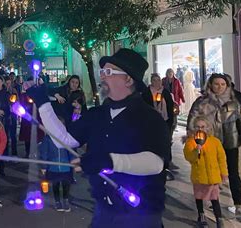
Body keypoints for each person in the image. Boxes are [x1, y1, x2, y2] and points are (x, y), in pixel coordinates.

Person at [27, 48, 170, 227]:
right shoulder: (98, 115)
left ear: (128, 79)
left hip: (141, 216)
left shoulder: (150, 117)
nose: (102, 76)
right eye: (102, 72)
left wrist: (109, 161)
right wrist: (43, 103)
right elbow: (64, 140)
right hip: (104, 213)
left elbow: (155, 163)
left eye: (108, 72)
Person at [187, 73, 241, 217]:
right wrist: (192, 138)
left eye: (223, 84)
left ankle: (238, 204)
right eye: (217, 84)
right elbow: (192, 119)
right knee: (211, 172)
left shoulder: (233, 102)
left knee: (234, 173)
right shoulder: (202, 102)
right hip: (209, 143)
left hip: (231, 141)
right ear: (210, 85)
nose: (220, 87)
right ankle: (210, 199)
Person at [183, 116, 227, 228]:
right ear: (194, 128)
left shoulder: (215, 142)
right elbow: (189, 157)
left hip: (213, 177)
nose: (200, 129)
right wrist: (196, 150)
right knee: (199, 196)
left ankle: (219, 218)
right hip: (199, 176)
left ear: (207, 128)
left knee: (215, 198)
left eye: (203, 126)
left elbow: (221, 158)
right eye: (198, 126)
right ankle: (201, 215)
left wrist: (224, 173)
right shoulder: (191, 142)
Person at [142, 73, 176, 180]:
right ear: (151, 81)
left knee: (166, 141)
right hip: (151, 122)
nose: (157, 82)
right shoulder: (146, 93)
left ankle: (167, 163)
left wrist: (171, 119)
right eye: (155, 80)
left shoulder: (165, 92)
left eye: (159, 80)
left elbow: (170, 107)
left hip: (165, 121)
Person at [39, 116, 75, 212]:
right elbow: (44, 152)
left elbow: (71, 152)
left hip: (66, 167)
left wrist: (74, 162)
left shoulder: (67, 138)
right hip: (53, 167)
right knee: (55, 185)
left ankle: (65, 200)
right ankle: (57, 201)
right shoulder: (48, 139)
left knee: (66, 184)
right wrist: (43, 166)